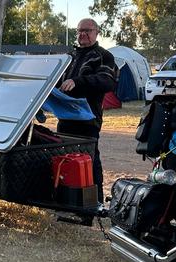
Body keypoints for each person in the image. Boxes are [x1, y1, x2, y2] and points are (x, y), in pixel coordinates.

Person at [57, 18, 117, 204]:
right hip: (65, 117)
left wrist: (79, 82)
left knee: (89, 160)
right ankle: (66, 201)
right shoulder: (70, 56)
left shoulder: (103, 56)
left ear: (97, 32)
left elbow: (108, 81)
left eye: (87, 30)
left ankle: (94, 203)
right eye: (80, 30)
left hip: (88, 119)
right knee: (64, 158)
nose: (83, 34)